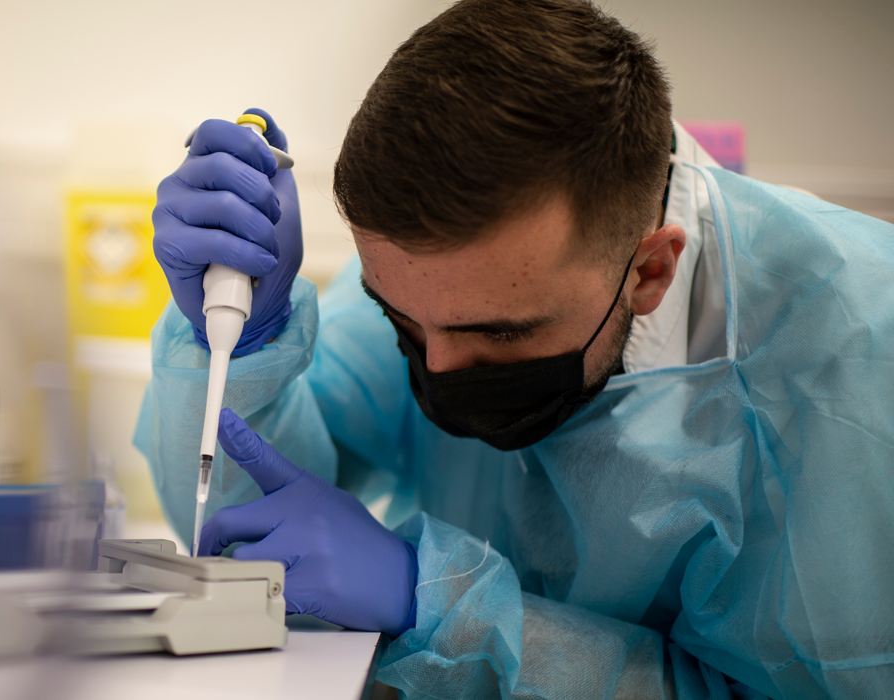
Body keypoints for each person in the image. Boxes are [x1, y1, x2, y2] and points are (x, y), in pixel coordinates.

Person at [137, 0, 894, 697]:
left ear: (651, 268)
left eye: (498, 334)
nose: (436, 368)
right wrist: (240, 345)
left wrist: (438, 602)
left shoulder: (855, 351)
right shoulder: (452, 285)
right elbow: (244, 525)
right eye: (399, 320)